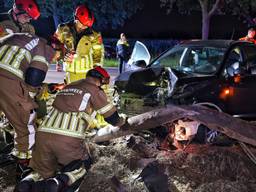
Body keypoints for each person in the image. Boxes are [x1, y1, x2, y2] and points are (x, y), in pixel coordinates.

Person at [14, 66, 127, 192]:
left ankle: (26, 183)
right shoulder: (94, 90)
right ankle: (58, 182)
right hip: (67, 136)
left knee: (42, 170)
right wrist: (123, 120)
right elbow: (112, 118)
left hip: (43, 134)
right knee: (81, 167)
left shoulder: (69, 86)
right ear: (100, 80)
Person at [0, 30, 55, 182]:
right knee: (27, 121)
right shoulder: (44, 47)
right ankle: (25, 166)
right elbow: (35, 74)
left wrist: (48, 88)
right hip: (7, 78)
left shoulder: (20, 37)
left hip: (6, 73)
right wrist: (29, 97)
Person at [52, 4, 104, 84]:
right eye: (82, 24)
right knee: (70, 94)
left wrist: (96, 69)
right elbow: (55, 46)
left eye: (87, 25)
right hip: (70, 71)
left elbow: (98, 54)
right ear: (76, 18)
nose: (84, 27)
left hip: (87, 73)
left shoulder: (95, 35)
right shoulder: (62, 29)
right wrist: (62, 57)